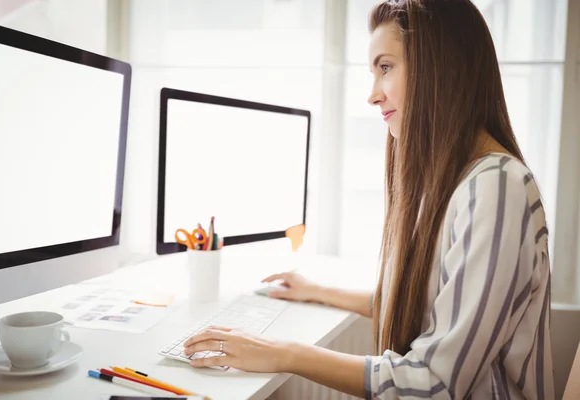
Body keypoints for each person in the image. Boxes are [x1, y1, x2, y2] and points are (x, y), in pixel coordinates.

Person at [183, 0, 553, 398]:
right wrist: (316, 290)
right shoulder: (456, 182)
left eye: (386, 67)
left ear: (440, 68)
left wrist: (281, 353)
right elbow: (428, 302)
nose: (372, 95)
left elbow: (435, 382)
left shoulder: (497, 187)